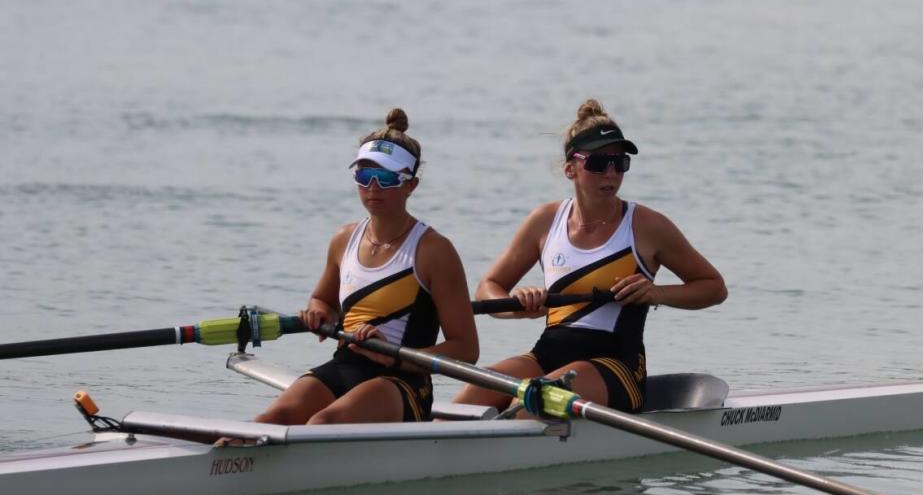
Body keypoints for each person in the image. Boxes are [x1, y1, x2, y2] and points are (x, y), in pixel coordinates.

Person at [452, 99, 726, 414]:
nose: (610, 173)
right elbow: (489, 286)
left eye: (619, 163)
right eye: (598, 163)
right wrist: (517, 306)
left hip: (618, 368)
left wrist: (657, 293)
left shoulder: (647, 226)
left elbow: (713, 287)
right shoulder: (544, 221)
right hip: (545, 356)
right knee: (470, 397)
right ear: (571, 168)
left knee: (527, 403)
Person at [255, 108, 479, 426]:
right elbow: (322, 299)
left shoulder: (434, 251)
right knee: (271, 418)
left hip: (402, 382)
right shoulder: (343, 239)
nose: (373, 187)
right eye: (364, 175)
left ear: (411, 185)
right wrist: (318, 312)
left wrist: (395, 356)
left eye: (386, 178)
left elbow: (467, 349)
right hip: (345, 365)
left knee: (323, 424)